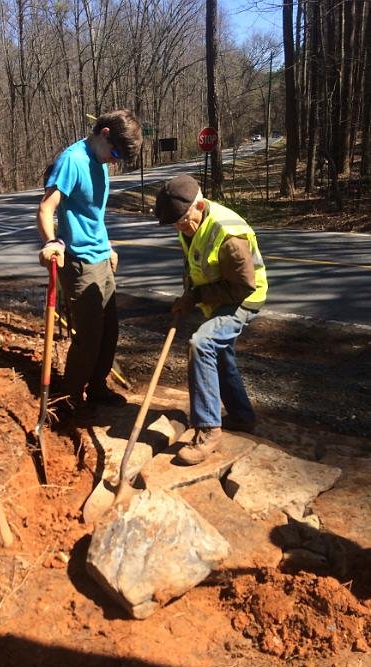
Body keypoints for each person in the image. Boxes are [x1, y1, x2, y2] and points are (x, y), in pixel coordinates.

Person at [154, 175, 268, 465]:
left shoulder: (228, 234)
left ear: (200, 205)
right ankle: (242, 417)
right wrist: (188, 295)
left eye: (182, 221)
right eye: (175, 224)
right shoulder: (189, 223)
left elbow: (243, 286)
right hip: (218, 296)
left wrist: (197, 296)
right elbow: (194, 262)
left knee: (201, 343)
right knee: (219, 353)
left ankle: (207, 429)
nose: (179, 227)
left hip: (244, 298)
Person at [37, 109, 142, 410]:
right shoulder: (73, 160)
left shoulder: (100, 163)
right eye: (116, 152)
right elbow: (46, 209)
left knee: (110, 332)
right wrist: (51, 243)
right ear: (104, 134)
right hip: (79, 262)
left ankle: (97, 387)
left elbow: (93, 214)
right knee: (90, 336)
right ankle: (68, 397)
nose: (115, 160)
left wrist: (108, 246)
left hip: (101, 258)